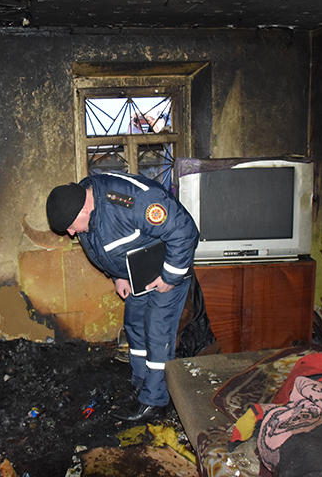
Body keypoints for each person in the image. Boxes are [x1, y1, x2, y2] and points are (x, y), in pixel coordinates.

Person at [46, 171, 216, 421]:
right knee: (135, 324)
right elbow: (102, 247)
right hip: (137, 272)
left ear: (83, 210)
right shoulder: (81, 203)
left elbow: (185, 231)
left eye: (71, 227)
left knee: (157, 331)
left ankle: (155, 402)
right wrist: (118, 277)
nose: (71, 233)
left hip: (167, 269)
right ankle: (141, 384)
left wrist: (170, 277)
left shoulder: (135, 201)